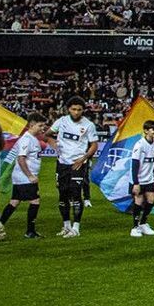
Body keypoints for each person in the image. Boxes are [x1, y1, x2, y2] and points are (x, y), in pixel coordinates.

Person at [50, 99, 102, 238]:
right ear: (68, 109)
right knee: (62, 194)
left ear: (83, 110)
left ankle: (76, 228)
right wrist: (53, 144)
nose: (76, 112)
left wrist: (83, 158)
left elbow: (94, 145)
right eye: (74, 109)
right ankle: (66, 226)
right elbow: (47, 135)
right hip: (62, 163)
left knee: (76, 194)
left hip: (78, 163)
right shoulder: (61, 121)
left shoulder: (88, 125)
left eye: (79, 109)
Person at [0, 123, 49, 239]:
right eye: (40, 125)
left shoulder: (32, 138)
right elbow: (21, 158)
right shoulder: (26, 139)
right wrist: (30, 176)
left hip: (20, 177)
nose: (43, 128)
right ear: (32, 125)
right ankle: (30, 231)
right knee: (35, 201)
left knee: (14, 202)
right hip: (25, 177)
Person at [129, 119, 154, 238]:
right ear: (145, 131)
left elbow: (153, 162)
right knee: (138, 201)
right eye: (153, 129)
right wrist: (136, 183)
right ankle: (134, 227)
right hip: (138, 180)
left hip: (149, 179)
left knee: (151, 200)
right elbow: (134, 164)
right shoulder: (139, 145)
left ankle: (143, 223)